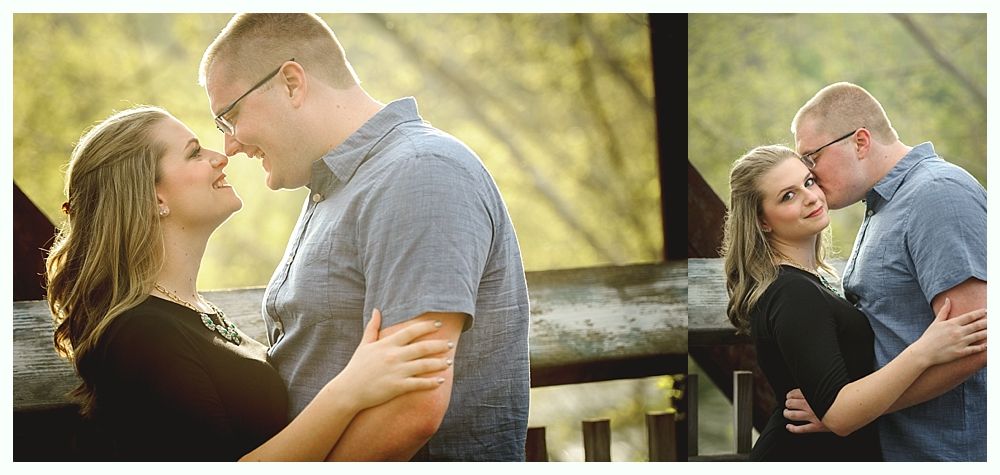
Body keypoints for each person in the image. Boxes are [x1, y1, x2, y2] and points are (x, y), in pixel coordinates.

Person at [198, 14, 530, 461]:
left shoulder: (419, 173)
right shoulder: (341, 184)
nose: (230, 145)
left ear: (292, 83)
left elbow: (411, 408)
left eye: (230, 116)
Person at [45, 106, 454, 461]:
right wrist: (349, 389)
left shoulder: (190, 312)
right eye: (193, 153)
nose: (220, 156)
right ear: (154, 199)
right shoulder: (138, 335)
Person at [721, 144, 986, 461]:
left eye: (808, 181)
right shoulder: (791, 291)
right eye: (787, 196)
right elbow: (839, 415)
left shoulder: (807, 281)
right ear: (763, 221)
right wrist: (924, 350)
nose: (810, 197)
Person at [783, 82, 987, 461]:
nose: (807, 174)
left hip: (950, 455)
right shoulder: (885, 204)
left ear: (860, 141)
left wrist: (850, 409)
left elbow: (977, 343)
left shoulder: (936, 194)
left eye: (811, 158)